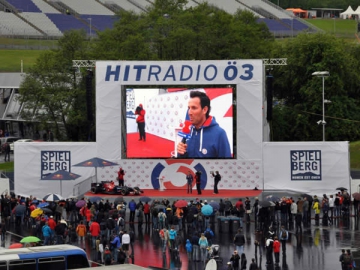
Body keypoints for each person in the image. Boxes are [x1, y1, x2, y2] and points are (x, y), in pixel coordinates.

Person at [177, 90, 231, 158]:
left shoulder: (219, 134)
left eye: (194, 108)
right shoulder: (188, 131)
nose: (189, 112)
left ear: (204, 110)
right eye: (189, 108)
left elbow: (226, 164)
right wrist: (181, 153)